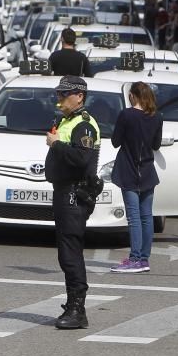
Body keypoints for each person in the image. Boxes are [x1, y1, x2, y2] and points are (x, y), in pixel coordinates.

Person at [45, 75, 100, 329]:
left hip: (74, 194)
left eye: (64, 94)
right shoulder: (66, 120)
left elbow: (81, 159)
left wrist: (56, 145)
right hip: (63, 192)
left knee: (70, 254)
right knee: (66, 253)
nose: (59, 99)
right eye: (58, 94)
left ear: (79, 96)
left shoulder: (84, 125)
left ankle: (78, 309)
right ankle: (73, 305)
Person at [109, 82, 162, 274]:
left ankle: (135, 258)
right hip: (147, 171)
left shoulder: (126, 115)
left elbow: (115, 142)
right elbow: (156, 145)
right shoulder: (157, 117)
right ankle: (144, 258)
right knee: (146, 216)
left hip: (129, 170)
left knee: (133, 217)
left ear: (133, 96)